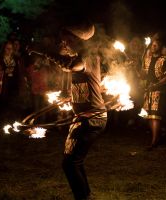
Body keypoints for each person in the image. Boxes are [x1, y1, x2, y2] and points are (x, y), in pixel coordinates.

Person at [53, 22, 107, 200]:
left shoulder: (87, 57)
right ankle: (86, 196)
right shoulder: (80, 56)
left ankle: (83, 197)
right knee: (74, 161)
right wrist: (70, 98)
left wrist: (44, 52)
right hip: (84, 117)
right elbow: (83, 86)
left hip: (92, 118)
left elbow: (70, 66)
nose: (64, 44)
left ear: (75, 40)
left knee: (70, 163)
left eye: (67, 41)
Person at [141, 38, 166, 149]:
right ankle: (156, 138)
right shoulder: (147, 59)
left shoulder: (165, 60)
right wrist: (135, 66)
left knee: (155, 117)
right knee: (149, 116)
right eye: (152, 45)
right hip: (148, 91)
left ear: (160, 47)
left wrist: (156, 85)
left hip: (158, 91)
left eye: (156, 45)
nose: (153, 47)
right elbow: (143, 75)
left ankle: (154, 141)